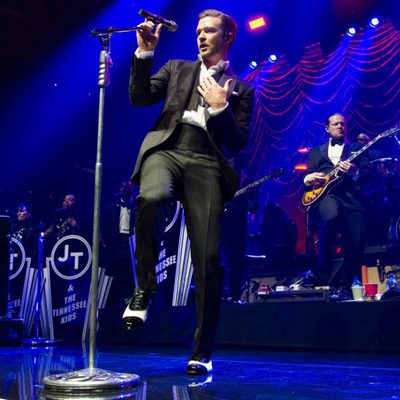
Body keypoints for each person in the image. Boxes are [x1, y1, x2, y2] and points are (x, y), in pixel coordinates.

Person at [122, 9, 254, 375]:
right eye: (198, 31)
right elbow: (139, 97)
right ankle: (145, 288)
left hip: (205, 162)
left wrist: (221, 107)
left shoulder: (241, 89)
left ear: (227, 37)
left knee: (208, 260)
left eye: (210, 31)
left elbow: (238, 141)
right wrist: (144, 54)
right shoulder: (177, 68)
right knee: (152, 198)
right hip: (166, 150)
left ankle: (201, 351)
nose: (201, 36)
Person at [304, 113, 371, 296]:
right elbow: (308, 175)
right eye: (336, 124)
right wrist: (308, 178)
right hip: (328, 196)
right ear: (327, 128)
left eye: (343, 123)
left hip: (352, 198)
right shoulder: (317, 151)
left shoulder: (356, 148)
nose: (340, 126)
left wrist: (355, 171)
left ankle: (346, 284)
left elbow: (368, 173)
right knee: (331, 215)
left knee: (357, 244)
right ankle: (322, 274)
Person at [103, 180, 137, 307]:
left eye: (127, 187)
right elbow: (106, 221)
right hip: (117, 240)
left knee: (130, 269)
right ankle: (114, 299)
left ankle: (130, 296)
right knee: (116, 269)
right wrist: (103, 239)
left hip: (131, 240)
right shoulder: (113, 203)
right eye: (122, 187)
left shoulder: (135, 204)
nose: (124, 189)